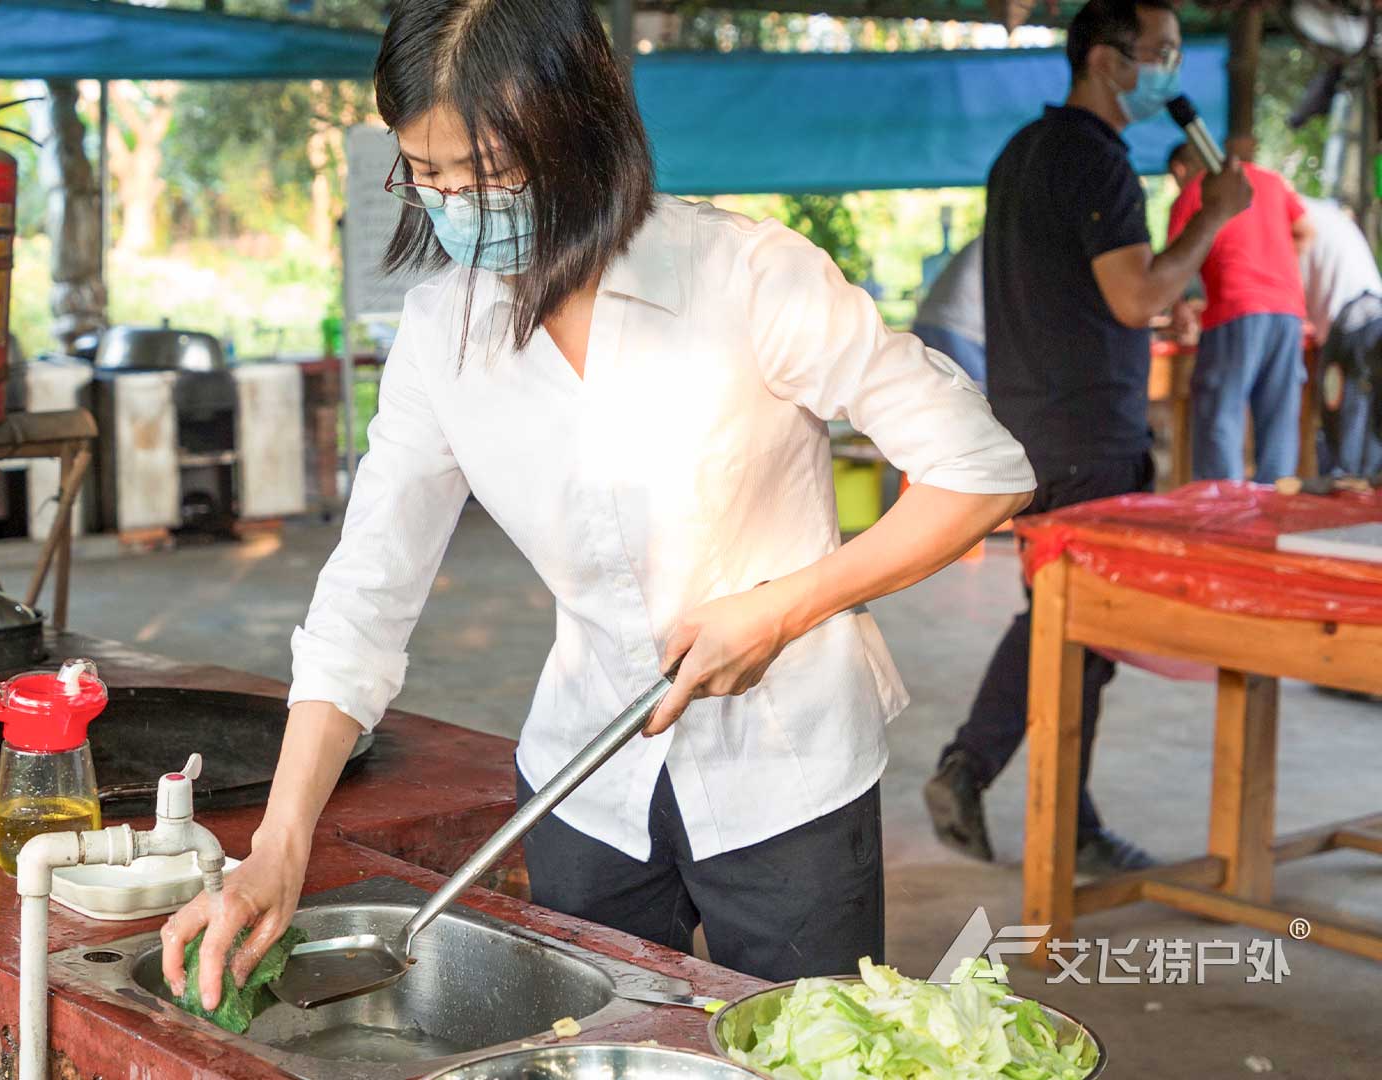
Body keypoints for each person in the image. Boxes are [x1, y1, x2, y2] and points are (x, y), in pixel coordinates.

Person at [158, 0, 1036, 1010]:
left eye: (487, 172)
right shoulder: (443, 335)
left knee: (800, 1047)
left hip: (787, 778)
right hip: (585, 785)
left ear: (575, 131)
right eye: (427, 173)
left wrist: (785, 608)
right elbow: (364, 600)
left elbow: (982, 472)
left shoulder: (745, 277)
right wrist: (276, 847)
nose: (456, 203)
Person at [926, 0, 1249, 876]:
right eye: (1163, 53)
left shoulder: (1021, 155)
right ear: (1108, 61)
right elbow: (1134, 298)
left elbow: (1094, 293)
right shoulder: (1099, 162)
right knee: (1080, 621)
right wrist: (1212, 214)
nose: (1173, 72)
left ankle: (1060, 811)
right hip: (1089, 429)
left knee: (1075, 625)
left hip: (1033, 419)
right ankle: (977, 766)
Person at [1166, 142, 1313, 481]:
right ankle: (1273, 515)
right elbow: (1306, 232)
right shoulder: (1272, 181)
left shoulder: (1197, 188)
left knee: (1221, 417)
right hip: (1288, 311)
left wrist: (1179, 308)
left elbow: (1171, 266)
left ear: (1179, 170)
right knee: (1278, 421)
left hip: (1236, 307)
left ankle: (1222, 517)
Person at [1298, 194, 1382, 475]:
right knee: (1367, 423)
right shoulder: (1327, 215)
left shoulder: (1293, 216)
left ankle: (1345, 491)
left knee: (1343, 420)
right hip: (1373, 312)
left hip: (1350, 323)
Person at [912, 236, 988, 390]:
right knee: (973, 401)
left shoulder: (990, 240)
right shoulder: (1012, 242)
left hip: (932, 322)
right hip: (959, 329)